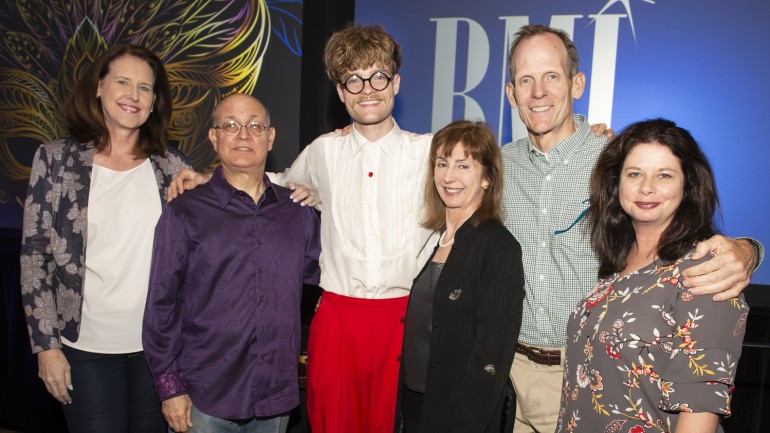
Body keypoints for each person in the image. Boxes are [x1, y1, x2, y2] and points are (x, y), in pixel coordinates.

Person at [500, 24, 763, 433]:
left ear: (577, 83)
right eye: (525, 80)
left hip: (592, 372)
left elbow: (687, 222)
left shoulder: (616, 161)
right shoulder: (496, 168)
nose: (538, 92)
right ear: (511, 92)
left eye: (551, 76)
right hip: (509, 376)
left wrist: (749, 250)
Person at [19, 44, 190, 432]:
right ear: (98, 87)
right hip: (84, 349)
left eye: (145, 88)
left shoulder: (173, 166)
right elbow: (34, 259)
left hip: (158, 350)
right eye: (124, 82)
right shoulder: (56, 160)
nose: (134, 95)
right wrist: (47, 347)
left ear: (154, 102)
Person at [142, 94, 321, 433]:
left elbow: (326, 279)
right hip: (203, 398)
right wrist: (170, 389)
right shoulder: (184, 211)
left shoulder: (297, 212)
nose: (243, 135)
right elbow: (160, 307)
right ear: (214, 137)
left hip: (273, 397)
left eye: (255, 126)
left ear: (269, 138)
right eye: (231, 126)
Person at [556, 118, 749, 432]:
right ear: (616, 182)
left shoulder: (706, 272)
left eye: (664, 175)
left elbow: (699, 411)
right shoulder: (617, 264)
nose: (647, 187)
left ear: (687, 185)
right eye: (635, 174)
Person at [397, 120, 524, 433]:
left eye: (463, 165)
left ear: (486, 178)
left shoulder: (497, 246)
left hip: (459, 413)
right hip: (416, 402)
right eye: (442, 163)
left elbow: (492, 354)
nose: (448, 176)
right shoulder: (432, 239)